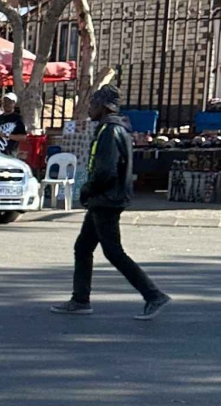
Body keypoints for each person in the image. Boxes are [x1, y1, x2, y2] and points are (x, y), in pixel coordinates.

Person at [51, 85, 171, 320]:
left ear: (104, 107)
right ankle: (80, 300)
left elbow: (105, 171)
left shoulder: (110, 131)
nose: (89, 109)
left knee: (113, 251)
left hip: (106, 199)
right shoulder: (112, 128)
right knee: (83, 247)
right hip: (104, 198)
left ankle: (153, 295)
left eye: (93, 104)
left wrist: (87, 190)